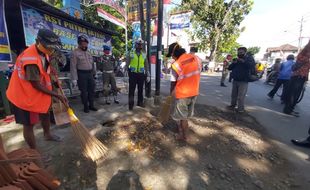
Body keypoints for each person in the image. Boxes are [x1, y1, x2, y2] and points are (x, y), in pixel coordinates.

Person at [6, 29, 68, 150]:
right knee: (29, 124)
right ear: (37, 42)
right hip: (23, 95)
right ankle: (34, 152)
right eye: (49, 48)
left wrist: (57, 88)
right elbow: (36, 85)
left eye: (53, 48)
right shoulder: (30, 59)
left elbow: (47, 73)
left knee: (45, 112)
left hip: (38, 93)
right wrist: (57, 96)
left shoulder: (45, 52)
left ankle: (47, 134)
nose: (51, 50)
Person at [167, 42, 201, 141]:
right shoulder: (195, 58)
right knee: (185, 116)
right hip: (194, 92)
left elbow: (173, 83)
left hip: (182, 94)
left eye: (172, 56)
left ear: (174, 53)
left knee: (182, 117)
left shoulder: (176, 64)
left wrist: (171, 95)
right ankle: (182, 130)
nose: (172, 58)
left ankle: (184, 136)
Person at [70, 35, 98, 113]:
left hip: (90, 74)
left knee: (92, 90)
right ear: (79, 43)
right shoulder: (75, 53)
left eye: (85, 43)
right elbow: (73, 66)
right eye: (82, 43)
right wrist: (74, 78)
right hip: (81, 74)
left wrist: (94, 73)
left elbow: (92, 64)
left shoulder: (88, 53)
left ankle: (91, 105)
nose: (84, 45)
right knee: (84, 91)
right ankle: (86, 107)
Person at [283, 40, 310, 116]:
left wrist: (306, 79)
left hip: (301, 77)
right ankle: (288, 110)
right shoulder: (306, 53)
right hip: (298, 76)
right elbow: (302, 62)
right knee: (294, 94)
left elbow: (307, 68)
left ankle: (290, 109)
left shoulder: (305, 52)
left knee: (295, 94)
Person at [227, 47, 255, 113]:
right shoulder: (237, 59)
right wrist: (234, 63)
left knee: (241, 96)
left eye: (241, 52)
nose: (239, 54)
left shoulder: (249, 59)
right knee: (233, 94)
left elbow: (251, 66)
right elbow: (229, 68)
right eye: (238, 52)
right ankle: (232, 105)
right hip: (235, 79)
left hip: (244, 81)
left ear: (245, 52)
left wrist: (244, 62)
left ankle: (240, 109)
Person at [126, 39, 150, 110]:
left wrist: (148, 73)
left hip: (141, 74)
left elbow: (146, 64)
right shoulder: (131, 52)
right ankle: (131, 105)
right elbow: (127, 63)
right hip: (132, 74)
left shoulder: (144, 53)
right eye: (138, 44)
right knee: (131, 90)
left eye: (141, 45)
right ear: (135, 45)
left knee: (140, 89)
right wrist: (126, 72)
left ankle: (140, 102)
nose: (140, 46)